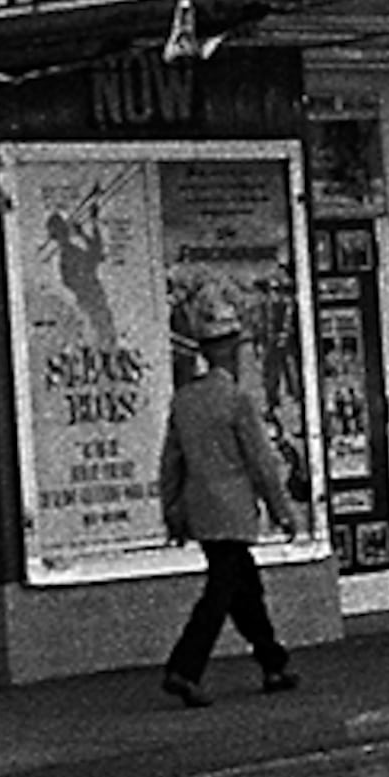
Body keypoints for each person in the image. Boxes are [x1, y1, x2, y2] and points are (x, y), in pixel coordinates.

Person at [157, 279, 301, 708]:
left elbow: (170, 464)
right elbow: (260, 463)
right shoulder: (236, 400)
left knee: (245, 589)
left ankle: (273, 662)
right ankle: (185, 669)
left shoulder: (185, 401)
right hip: (234, 512)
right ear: (229, 351)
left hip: (200, 511)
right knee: (220, 594)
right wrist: (283, 512)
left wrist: (172, 512)